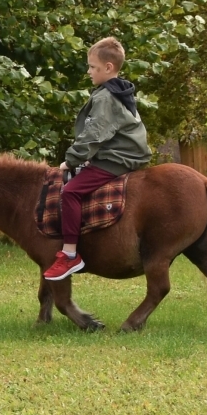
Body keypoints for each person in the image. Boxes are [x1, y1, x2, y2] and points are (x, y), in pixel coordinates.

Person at [44, 36, 151, 280]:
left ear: (108, 68)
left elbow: (93, 135)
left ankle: (70, 254)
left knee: (70, 191)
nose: (89, 71)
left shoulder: (105, 97)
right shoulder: (119, 90)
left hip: (118, 158)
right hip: (125, 153)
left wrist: (71, 160)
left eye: (93, 67)